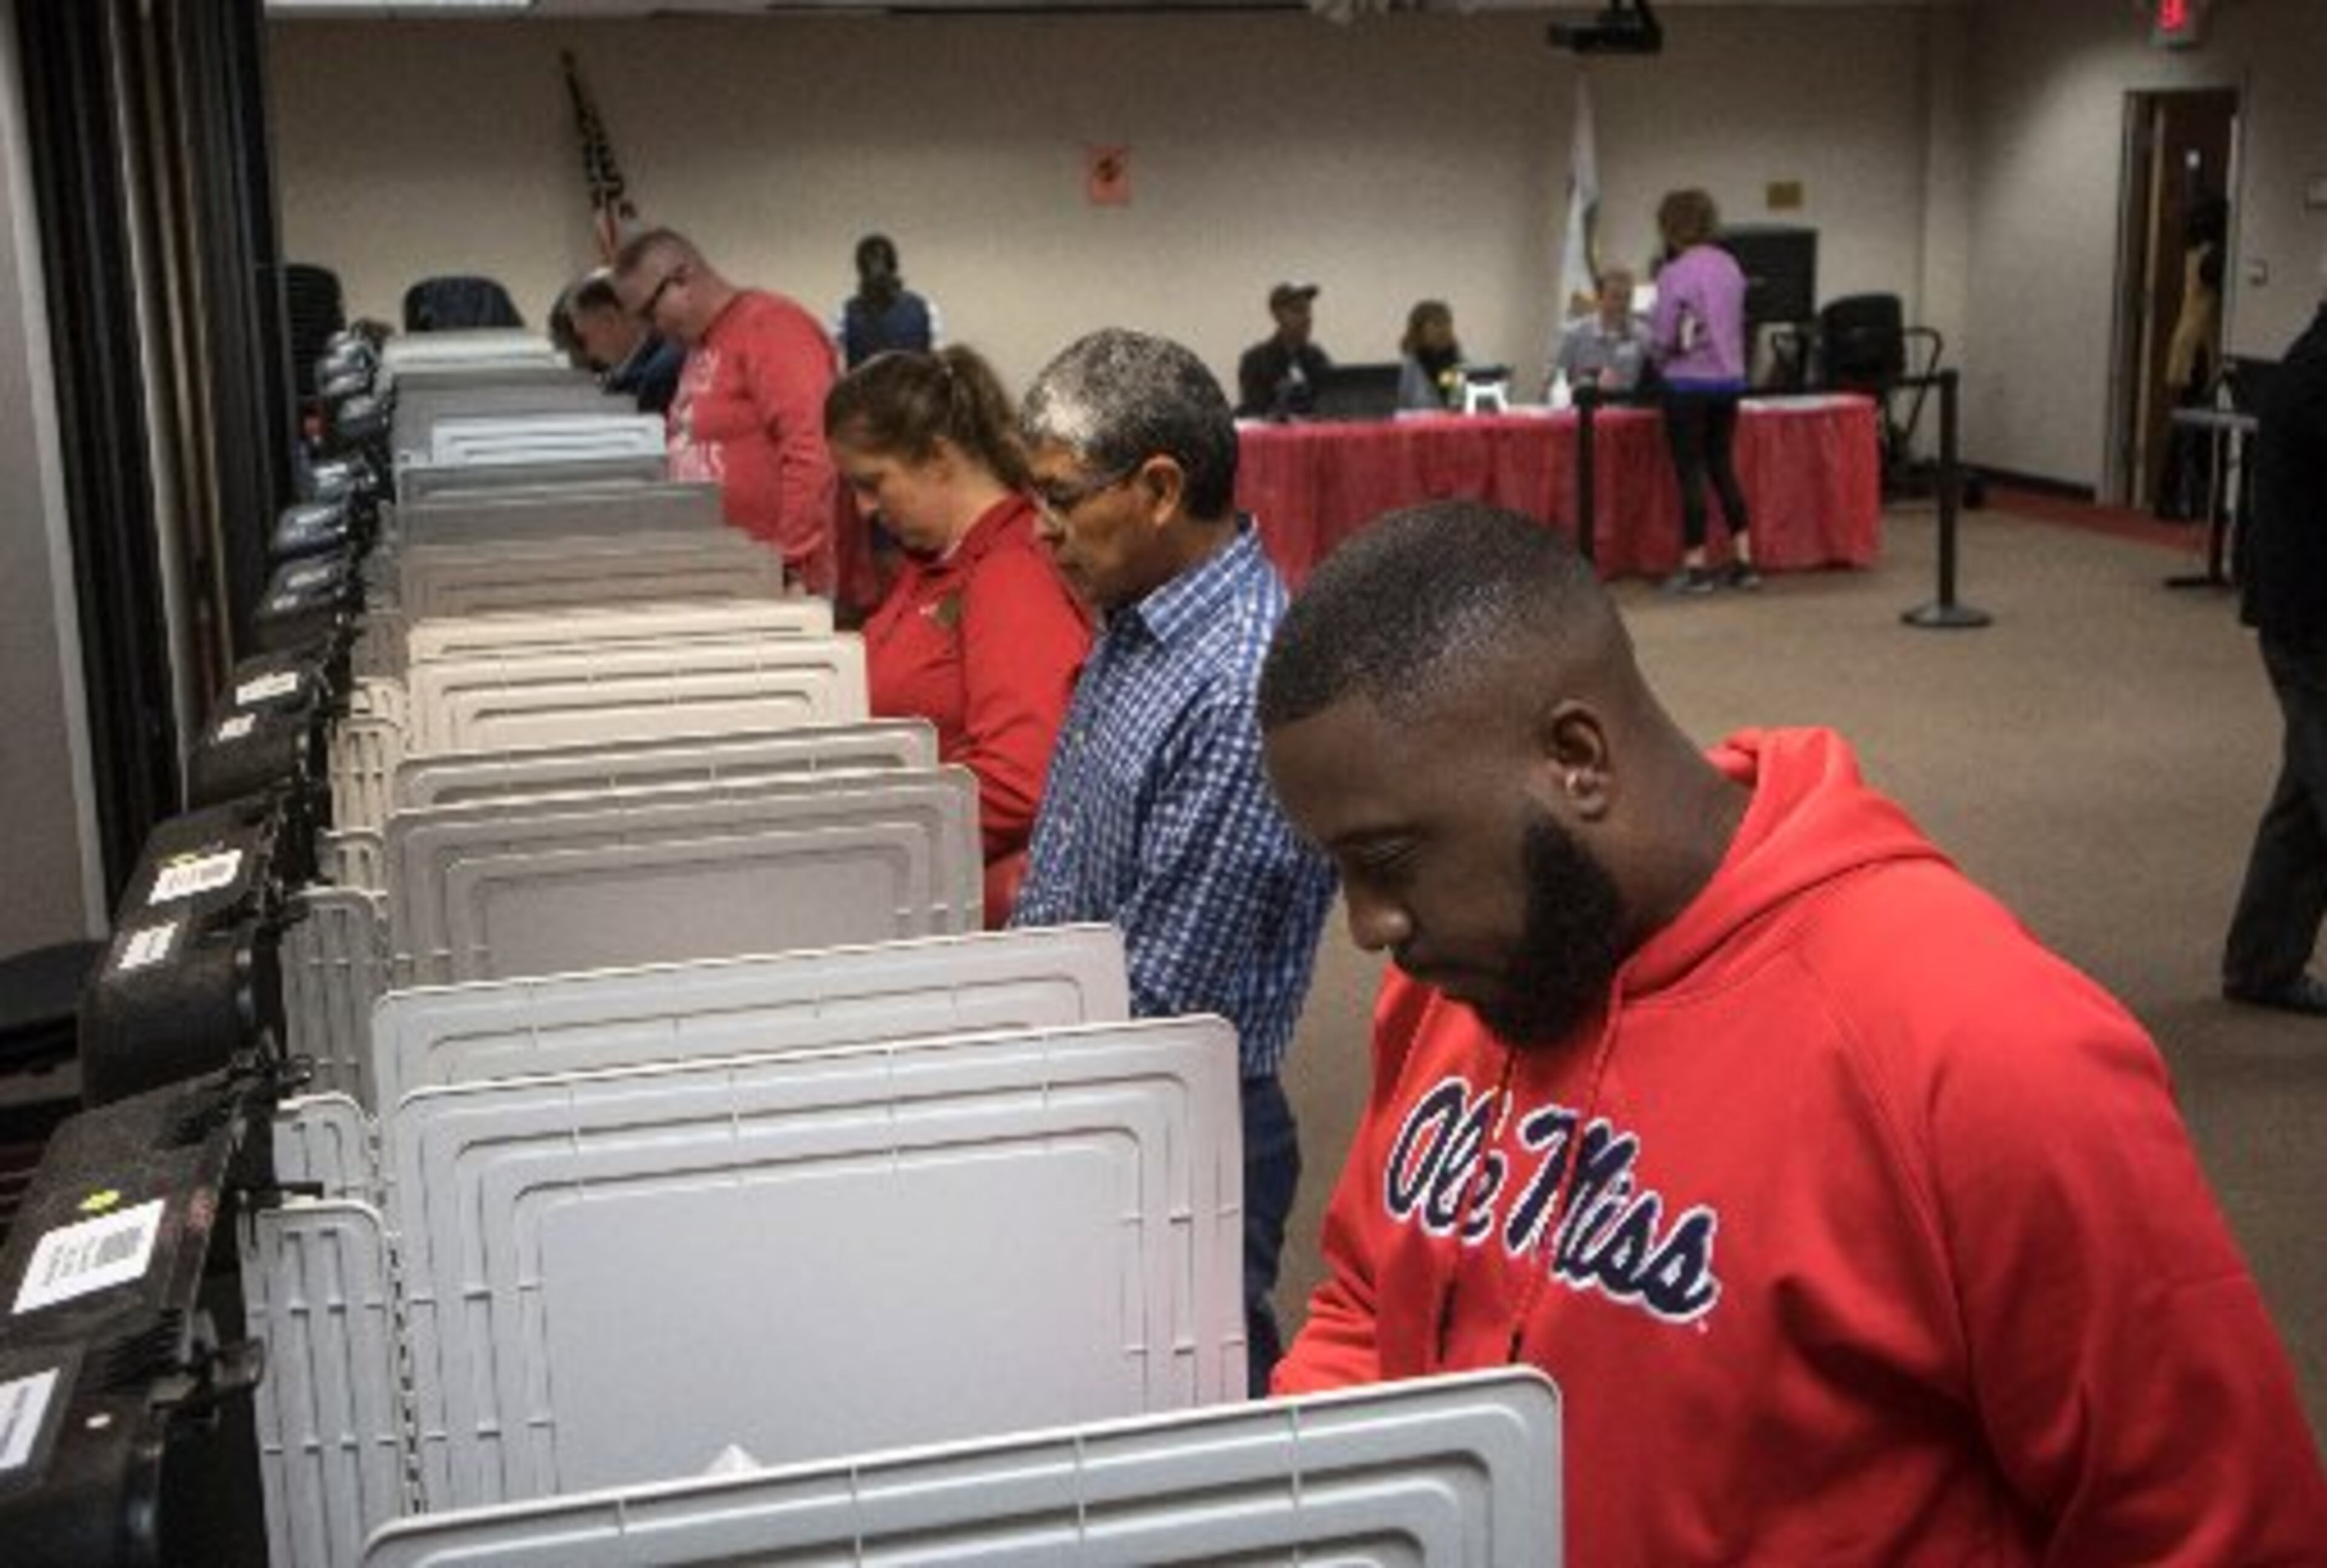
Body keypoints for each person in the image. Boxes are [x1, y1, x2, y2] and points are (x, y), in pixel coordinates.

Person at [1257, 500, 2327, 1564]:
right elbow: (1366, 1295)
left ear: (1576, 758)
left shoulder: (1989, 1050)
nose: (1370, 926)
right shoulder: (1469, 975)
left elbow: (2216, 1527)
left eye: (1390, 860)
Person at [1011, 328, 1337, 1395]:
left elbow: (1160, 1003)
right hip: (1098, 1087)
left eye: (1061, 498)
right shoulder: (1142, 615)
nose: (1041, 530)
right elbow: (1069, 867)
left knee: (1198, 1415)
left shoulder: (1240, 680)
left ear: (1158, 488)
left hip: (1183, 1125)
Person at [823, 346, 1091, 925]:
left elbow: (1020, 778)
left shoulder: (1011, 572)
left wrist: (867, 848)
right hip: (911, 870)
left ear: (938, 460)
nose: (863, 508)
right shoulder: (938, 561)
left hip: (936, 891)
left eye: (873, 482)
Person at [613, 227, 841, 594]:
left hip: (779, 580)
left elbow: (812, 449)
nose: (653, 331)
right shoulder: (701, 345)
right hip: (730, 574)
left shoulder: (770, 326)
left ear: (683, 278)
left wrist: (787, 562)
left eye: (650, 313)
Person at [2222, 264, 2327, 1015]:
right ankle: (2261, 964)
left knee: (2303, 804)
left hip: (2305, 619)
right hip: (2311, 627)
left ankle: (2261, 963)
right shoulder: (2316, 378)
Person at [1646, 190, 1758, 594]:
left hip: (1686, 384)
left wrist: (1657, 357)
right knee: (1722, 466)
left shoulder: (1674, 273)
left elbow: (1664, 337)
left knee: (1690, 471)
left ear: (1670, 226)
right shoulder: (1731, 267)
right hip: (1729, 382)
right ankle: (1745, 561)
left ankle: (1695, 567)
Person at [568, 269, 685, 414]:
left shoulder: (661, 374)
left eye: (585, 338)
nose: (589, 352)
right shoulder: (638, 369)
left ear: (609, 320)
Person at [831, 234, 943, 371]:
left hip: (864, 391)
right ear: (895, 266)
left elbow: (837, 367)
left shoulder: (844, 314)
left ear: (859, 269)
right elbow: (937, 363)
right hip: (914, 391)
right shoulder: (926, 309)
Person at [1236, 282, 1332, 420]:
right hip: (1275, 440)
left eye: (1309, 311)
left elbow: (1331, 404)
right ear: (1277, 316)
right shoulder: (1255, 361)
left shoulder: (1318, 358)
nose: (1307, 318)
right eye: (1298, 311)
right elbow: (1255, 413)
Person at [1550, 267, 1649, 398]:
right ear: (1600, 298)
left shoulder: (1643, 335)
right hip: (1584, 410)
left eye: (1628, 297)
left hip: (1628, 411)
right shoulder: (1573, 334)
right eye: (1616, 297)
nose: (1623, 304)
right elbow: (1553, 382)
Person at [1395, 299, 1462, 413]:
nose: (1444, 330)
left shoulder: (1459, 364)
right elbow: (1404, 409)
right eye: (1437, 324)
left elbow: (1459, 402)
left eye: (1447, 323)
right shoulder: (1410, 367)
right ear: (1419, 331)